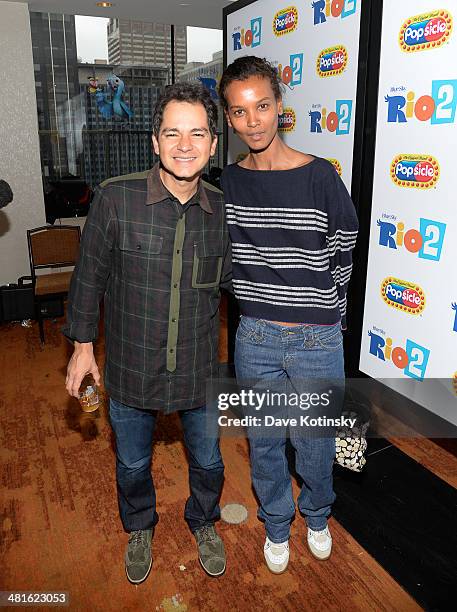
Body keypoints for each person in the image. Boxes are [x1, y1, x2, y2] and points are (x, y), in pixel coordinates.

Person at [64, 83, 231, 584]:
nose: (185, 145)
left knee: (209, 461)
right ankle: (140, 526)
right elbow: (88, 277)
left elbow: (234, 283)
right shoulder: (117, 198)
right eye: (172, 133)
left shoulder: (223, 209)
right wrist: (81, 349)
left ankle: (203, 520)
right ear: (154, 142)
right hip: (133, 367)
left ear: (213, 144)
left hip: (199, 367)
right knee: (133, 463)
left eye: (197, 133)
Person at [218, 56, 358, 573]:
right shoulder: (229, 183)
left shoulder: (319, 175)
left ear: (280, 106)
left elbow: (344, 244)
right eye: (239, 111)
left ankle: (317, 514)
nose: (252, 121)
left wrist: (331, 311)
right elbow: (226, 253)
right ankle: (276, 524)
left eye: (261, 106)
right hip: (255, 336)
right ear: (228, 119)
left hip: (317, 337)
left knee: (315, 442)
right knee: (265, 441)